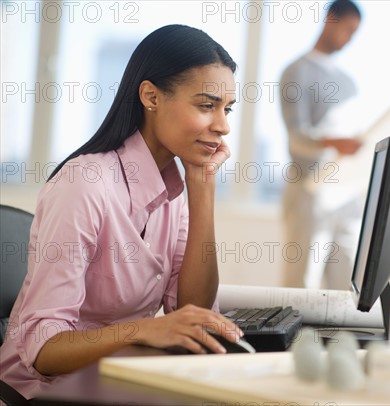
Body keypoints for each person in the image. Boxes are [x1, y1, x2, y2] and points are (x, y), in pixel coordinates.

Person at [0, 25, 243, 399]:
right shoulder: (84, 183)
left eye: (226, 109)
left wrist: (202, 187)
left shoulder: (174, 189)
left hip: (114, 381)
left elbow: (193, 311)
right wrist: (143, 330)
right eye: (206, 105)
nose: (223, 126)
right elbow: (42, 350)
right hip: (40, 391)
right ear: (151, 96)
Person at [279, 0, 363, 289]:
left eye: (356, 32)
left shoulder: (349, 83)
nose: (350, 38)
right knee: (302, 284)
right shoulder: (295, 72)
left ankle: (341, 337)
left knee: (348, 285)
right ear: (330, 19)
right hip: (307, 190)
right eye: (348, 29)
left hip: (344, 195)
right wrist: (333, 142)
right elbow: (297, 137)